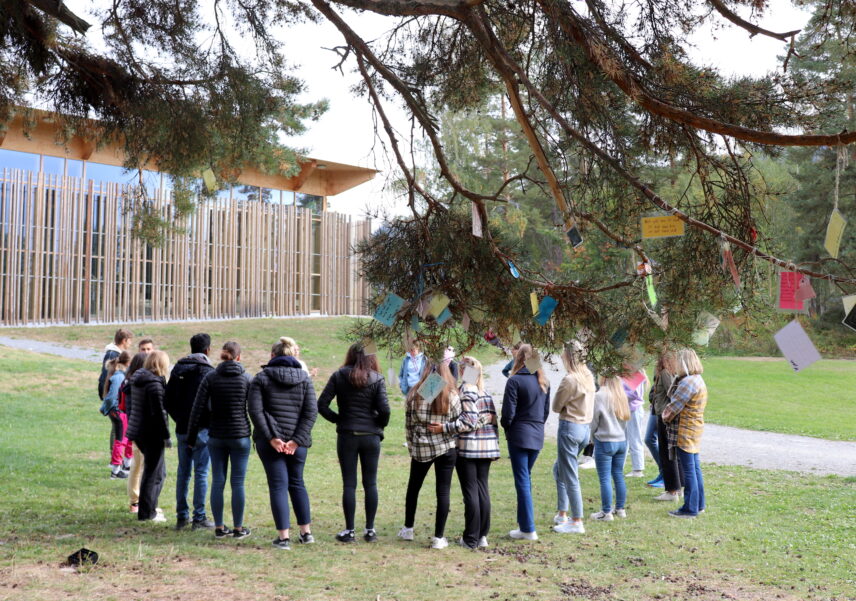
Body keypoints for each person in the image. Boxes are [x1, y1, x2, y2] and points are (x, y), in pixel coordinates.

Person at [248, 336, 318, 550]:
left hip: (271, 444)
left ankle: (284, 537)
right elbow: (311, 412)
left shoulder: (261, 378)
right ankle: (306, 533)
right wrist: (297, 440)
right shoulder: (305, 379)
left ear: (272, 355)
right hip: (297, 444)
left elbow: (255, 411)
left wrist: (271, 438)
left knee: (278, 486)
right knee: (297, 483)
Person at [317, 342, 390, 543]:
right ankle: (370, 530)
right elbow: (385, 410)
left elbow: (321, 404)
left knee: (349, 484)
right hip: (371, 436)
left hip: (347, 435)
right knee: (370, 483)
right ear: (371, 357)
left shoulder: (339, 375)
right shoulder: (377, 379)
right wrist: (378, 426)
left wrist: (338, 419)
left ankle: (349, 530)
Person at [429, 356, 499, 549]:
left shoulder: (467, 389)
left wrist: (445, 427)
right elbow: (491, 418)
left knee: (471, 491)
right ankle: (482, 535)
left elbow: (468, 421)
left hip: (470, 446)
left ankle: (471, 538)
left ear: (462, 371)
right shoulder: (482, 390)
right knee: (482, 490)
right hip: (486, 445)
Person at [187, 341, 253, 539]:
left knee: (218, 480)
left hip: (216, 435)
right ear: (239, 357)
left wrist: (191, 437)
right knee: (238, 482)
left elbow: (197, 409)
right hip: (240, 435)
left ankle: (219, 527)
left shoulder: (211, 377)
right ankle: (239, 528)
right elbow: (256, 409)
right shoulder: (247, 378)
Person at [398, 361, 461, 549]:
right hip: (445, 447)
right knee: (443, 491)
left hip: (421, 447)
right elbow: (458, 419)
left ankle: (408, 528)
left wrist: (411, 445)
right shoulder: (452, 394)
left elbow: (409, 423)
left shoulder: (415, 395)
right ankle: (438, 537)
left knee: (414, 488)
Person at [164, 333, 215, 530]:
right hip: (201, 429)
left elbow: (168, 400)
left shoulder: (178, 369)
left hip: (182, 428)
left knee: (183, 472)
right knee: (201, 472)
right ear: (207, 350)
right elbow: (209, 404)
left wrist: (180, 418)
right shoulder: (207, 371)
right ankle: (199, 517)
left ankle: (181, 516)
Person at [501, 344, 550, 541]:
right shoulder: (543, 382)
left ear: (518, 359)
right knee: (525, 479)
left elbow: (508, 414)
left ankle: (528, 528)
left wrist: (507, 428)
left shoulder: (514, 381)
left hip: (519, 435)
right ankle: (524, 524)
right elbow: (545, 413)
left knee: (522, 481)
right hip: (536, 435)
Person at [551, 342, 596, 535]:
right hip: (584, 429)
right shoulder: (588, 376)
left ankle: (576, 520)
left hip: (571, 427)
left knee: (570, 475)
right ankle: (563, 513)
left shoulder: (570, 379)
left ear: (569, 357)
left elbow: (555, 406)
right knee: (559, 468)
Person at [126, 350, 171, 522]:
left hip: (139, 432)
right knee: (154, 474)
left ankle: (150, 507)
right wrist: (166, 437)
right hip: (151, 434)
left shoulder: (139, 380)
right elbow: (160, 414)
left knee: (158, 472)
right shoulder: (154, 385)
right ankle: (147, 512)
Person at [662, 348, 707, 518]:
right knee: (695, 468)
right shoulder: (698, 380)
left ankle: (690, 508)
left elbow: (673, 407)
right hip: (695, 429)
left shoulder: (687, 382)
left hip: (685, 431)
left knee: (689, 470)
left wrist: (664, 416)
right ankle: (699, 504)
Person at [590, 376, 630, 521]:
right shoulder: (621, 395)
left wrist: (591, 436)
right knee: (618, 475)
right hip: (621, 440)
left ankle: (606, 512)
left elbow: (594, 419)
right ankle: (620, 508)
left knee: (605, 478)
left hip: (605, 439)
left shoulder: (599, 395)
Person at [650, 351, 682, 501]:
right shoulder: (669, 373)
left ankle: (672, 490)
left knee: (667, 453)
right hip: (664, 414)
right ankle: (677, 487)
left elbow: (672, 393)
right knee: (671, 453)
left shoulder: (665, 373)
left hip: (665, 416)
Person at [122, 352, 148, 513]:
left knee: (137, 465)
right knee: (142, 466)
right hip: (141, 429)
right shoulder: (136, 385)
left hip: (135, 428)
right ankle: (139, 501)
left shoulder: (131, 383)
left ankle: (136, 501)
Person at [101, 351, 133, 479]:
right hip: (118, 412)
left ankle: (126, 465)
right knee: (120, 440)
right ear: (128, 363)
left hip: (120, 411)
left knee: (126, 438)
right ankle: (115, 470)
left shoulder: (120, 375)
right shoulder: (119, 377)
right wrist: (110, 409)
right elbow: (111, 396)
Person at [621, 365, 649, 477]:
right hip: (627, 409)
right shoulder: (627, 373)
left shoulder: (636, 375)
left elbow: (634, 394)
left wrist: (619, 395)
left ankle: (638, 469)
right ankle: (619, 466)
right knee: (624, 439)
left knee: (635, 438)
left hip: (634, 410)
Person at [99, 328, 133, 401]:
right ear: (124, 340)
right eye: (130, 340)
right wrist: (107, 396)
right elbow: (106, 377)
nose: (131, 343)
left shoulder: (119, 354)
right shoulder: (112, 354)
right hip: (111, 396)